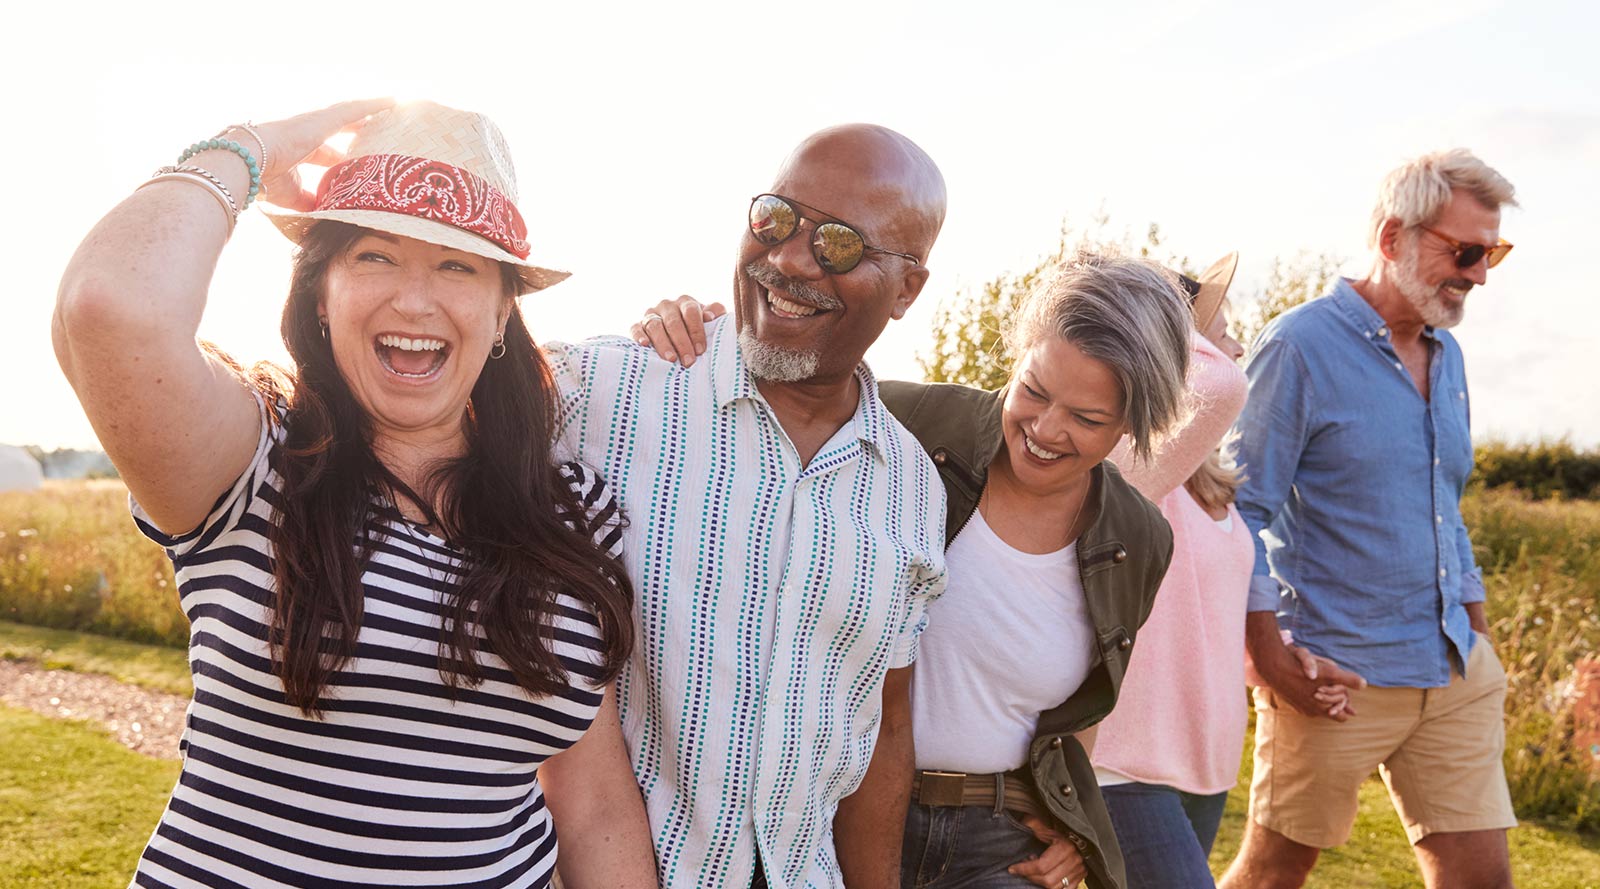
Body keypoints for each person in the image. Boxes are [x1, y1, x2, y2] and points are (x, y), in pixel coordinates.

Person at [53, 101, 657, 888]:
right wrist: (252, 148)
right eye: (375, 256)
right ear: (319, 292)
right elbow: (112, 307)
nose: (415, 300)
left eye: (457, 264)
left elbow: (592, 802)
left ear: (503, 307)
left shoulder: (571, 513)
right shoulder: (254, 461)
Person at [633, 248, 1202, 889]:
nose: (1044, 429)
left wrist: (1074, 821)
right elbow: (761, 391)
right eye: (1034, 392)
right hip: (829, 814)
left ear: (1135, 421)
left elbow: (1083, 709)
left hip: (1000, 843)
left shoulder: (1139, 537)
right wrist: (694, 329)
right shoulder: (906, 424)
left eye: (1087, 418)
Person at [545, 124, 950, 889]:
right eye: (775, 219)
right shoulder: (597, 395)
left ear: (907, 288)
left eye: (837, 244)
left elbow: (884, 727)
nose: (790, 259)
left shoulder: (912, 488)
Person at [1218, 149, 1519, 889]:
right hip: (1335, 674)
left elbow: (1445, 507)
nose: (1480, 273)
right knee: (1274, 871)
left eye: (1493, 253)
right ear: (1394, 238)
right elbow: (1237, 510)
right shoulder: (1298, 346)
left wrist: (1478, 635)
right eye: (1468, 250)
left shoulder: (1449, 357)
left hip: (1451, 669)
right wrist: (1270, 660)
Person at [1089, 255, 1361, 889]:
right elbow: (1217, 386)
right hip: (1125, 759)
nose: (1239, 346)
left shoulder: (1214, 490)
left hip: (1206, 760)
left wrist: (1287, 658)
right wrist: (1154, 312)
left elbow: (1204, 610)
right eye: (1224, 330)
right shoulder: (1134, 468)